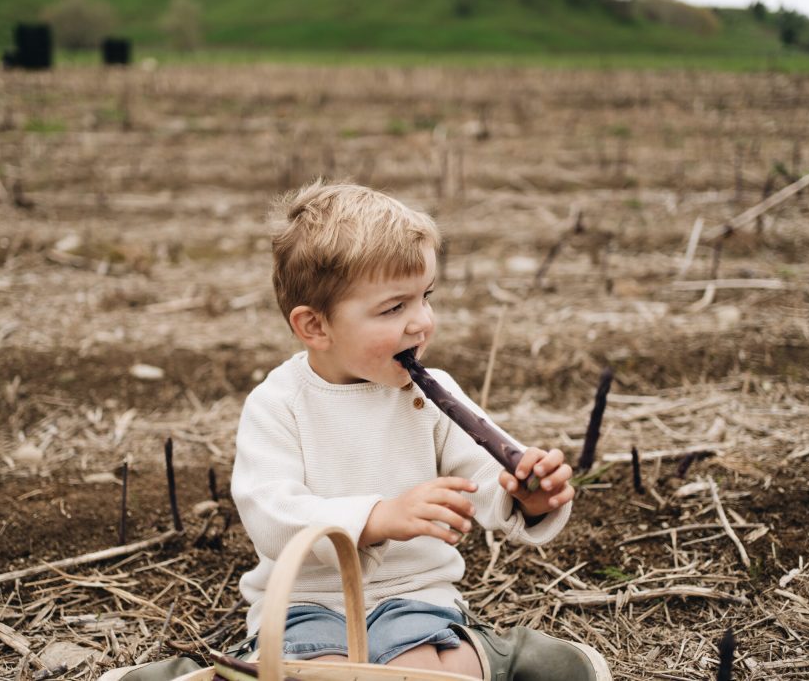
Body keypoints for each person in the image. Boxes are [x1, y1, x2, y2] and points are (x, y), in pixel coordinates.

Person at [229, 181, 611, 681]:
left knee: (425, 670)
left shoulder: (429, 393)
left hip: (416, 596)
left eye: (424, 297)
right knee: (320, 674)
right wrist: (379, 517)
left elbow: (482, 473)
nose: (422, 323)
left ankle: (498, 658)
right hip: (306, 605)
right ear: (315, 327)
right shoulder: (279, 404)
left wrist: (527, 493)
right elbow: (271, 514)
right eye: (394, 308)